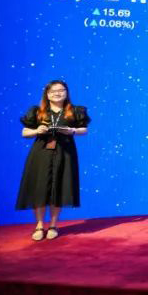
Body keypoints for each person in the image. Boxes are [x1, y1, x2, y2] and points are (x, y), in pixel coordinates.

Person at [16, 80, 90, 240]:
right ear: (47, 95)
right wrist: (37, 130)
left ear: (66, 92)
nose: (57, 93)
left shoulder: (75, 111)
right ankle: (39, 225)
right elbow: (24, 132)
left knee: (59, 187)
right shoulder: (37, 111)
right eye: (53, 91)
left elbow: (84, 130)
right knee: (40, 188)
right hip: (41, 153)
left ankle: (53, 225)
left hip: (65, 153)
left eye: (61, 90)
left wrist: (72, 130)